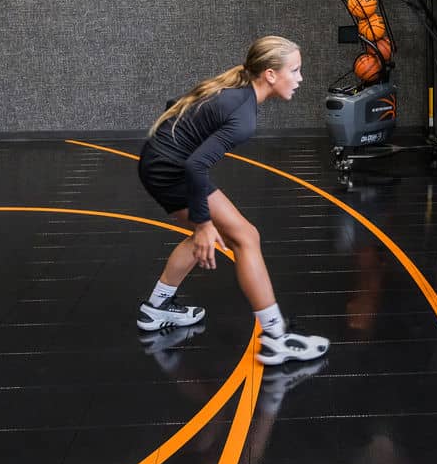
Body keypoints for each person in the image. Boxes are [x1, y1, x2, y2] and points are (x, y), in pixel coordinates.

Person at [136, 35, 329, 365]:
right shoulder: (243, 116)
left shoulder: (236, 94)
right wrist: (203, 222)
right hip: (170, 170)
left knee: (227, 236)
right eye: (294, 70)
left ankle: (157, 308)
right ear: (270, 74)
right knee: (244, 236)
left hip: (160, 163)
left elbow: (174, 105)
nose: (300, 79)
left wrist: (204, 226)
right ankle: (276, 338)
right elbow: (196, 165)